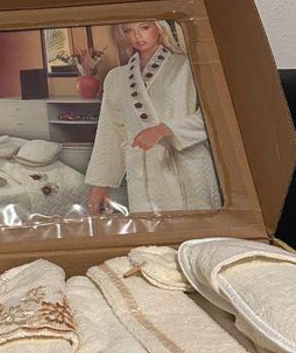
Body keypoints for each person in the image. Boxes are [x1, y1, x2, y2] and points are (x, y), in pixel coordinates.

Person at [85, 20, 221, 214]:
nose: (137, 36)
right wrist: (100, 184)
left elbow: (215, 116)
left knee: (198, 229)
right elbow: (110, 131)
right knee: (149, 231)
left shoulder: (188, 67)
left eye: (144, 27)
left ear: (160, 28)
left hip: (187, 165)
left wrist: (164, 130)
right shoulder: (116, 78)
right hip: (143, 171)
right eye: (128, 31)